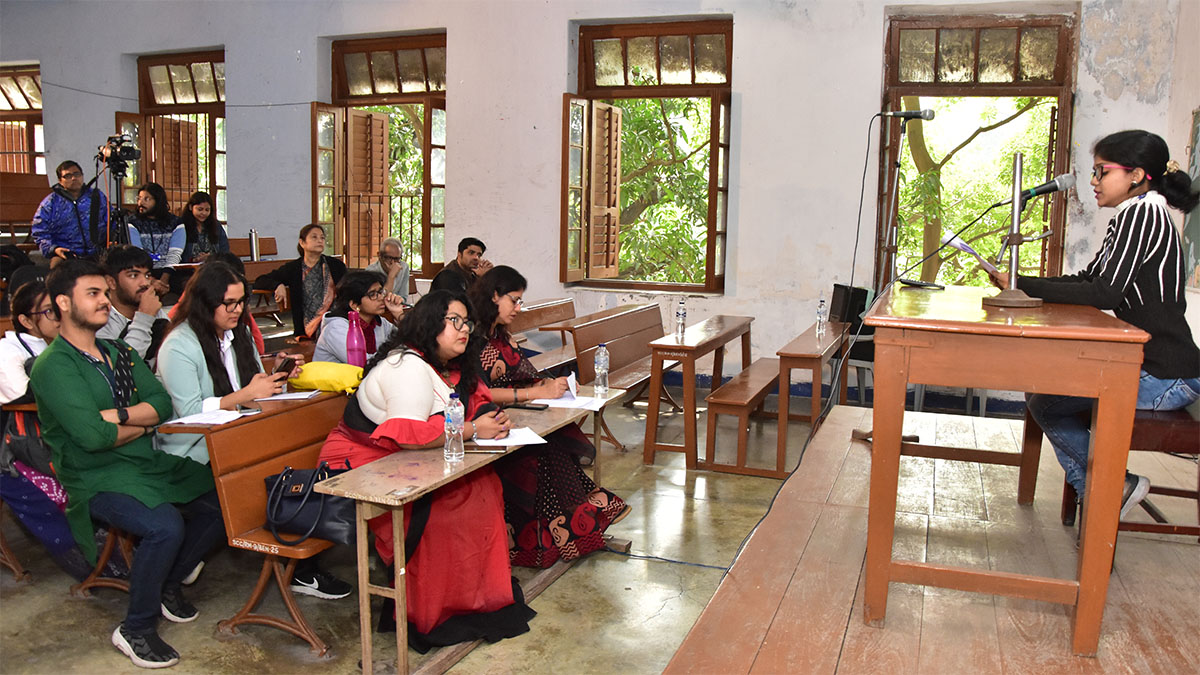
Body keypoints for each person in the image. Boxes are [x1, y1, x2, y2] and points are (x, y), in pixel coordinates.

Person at [989, 129, 1200, 520]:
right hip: (1153, 367)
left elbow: (1103, 293)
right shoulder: (1135, 215)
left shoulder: (1144, 214)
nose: (1093, 182)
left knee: (1047, 403)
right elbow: (1088, 280)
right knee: (1044, 396)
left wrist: (1023, 285)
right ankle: (1110, 489)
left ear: (1135, 175)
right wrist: (1019, 283)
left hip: (1168, 375)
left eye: (1101, 172)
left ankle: (1108, 491)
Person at [30, 259, 223, 669]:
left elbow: (162, 405)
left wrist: (117, 416)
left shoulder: (116, 351)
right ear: (64, 303)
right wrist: (135, 419)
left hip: (143, 463)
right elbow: (90, 439)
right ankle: (136, 628)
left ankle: (168, 583)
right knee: (164, 525)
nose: (106, 301)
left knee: (222, 493)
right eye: (94, 294)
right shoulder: (54, 366)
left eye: (105, 292)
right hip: (93, 477)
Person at [318, 290, 534, 651]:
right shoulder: (407, 366)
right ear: (431, 323)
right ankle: (434, 609)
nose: (463, 329)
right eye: (454, 321)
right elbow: (407, 435)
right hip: (362, 461)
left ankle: (475, 598)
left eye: (466, 322)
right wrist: (470, 431)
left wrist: (488, 421)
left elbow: (461, 410)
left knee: (483, 485)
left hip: (405, 458)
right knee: (449, 507)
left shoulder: (444, 366)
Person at [469, 266, 630, 567]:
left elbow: (520, 373)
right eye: (514, 301)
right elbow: (479, 393)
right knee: (546, 453)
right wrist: (533, 393)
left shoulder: (500, 333)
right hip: (490, 418)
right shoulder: (474, 339)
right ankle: (573, 527)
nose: (519, 308)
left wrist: (550, 385)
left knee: (554, 442)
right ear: (493, 296)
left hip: (518, 411)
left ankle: (579, 524)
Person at [253, 224, 347, 338]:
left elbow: (348, 290)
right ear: (302, 243)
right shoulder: (294, 268)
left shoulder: (336, 266)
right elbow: (260, 281)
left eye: (322, 238)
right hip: (305, 331)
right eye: (314, 237)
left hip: (335, 324)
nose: (320, 241)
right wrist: (278, 285)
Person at [167, 251, 267, 354]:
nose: (238, 309)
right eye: (229, 302)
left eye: (240, 300)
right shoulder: (180, 335)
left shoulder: (235, 312)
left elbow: (258, 349)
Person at [97, 245, 170, 367]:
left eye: (147, 275)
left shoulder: (155, 311)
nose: (145, 283)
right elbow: (123, 367)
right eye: (133, 275)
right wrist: (144, 318)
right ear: (111, 282)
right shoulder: (100, 321)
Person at [312, 271, 405, 364]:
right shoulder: (336, 329)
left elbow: (408, 343)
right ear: (354, 305)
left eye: (381, 292)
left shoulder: (378, 323)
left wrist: (398, 314)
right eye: (372, 294)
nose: (381, 298)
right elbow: (363, 363)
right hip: (335, 378)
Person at [30, 160, 112, 263]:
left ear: (82, 176)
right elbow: (39, 231)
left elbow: (110, 220)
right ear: (60, 180)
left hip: (98, 252)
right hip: (66, 254)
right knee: (57, 267)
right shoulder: (50, 203)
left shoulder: (96, 196)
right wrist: (54, 249)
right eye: (68, 176)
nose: (74, 178)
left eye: (76, 174)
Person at [125, 182, 175, 293]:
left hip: (169, 273)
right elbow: (137, 253)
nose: (140, 203)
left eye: (146, 199)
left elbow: (175, 254)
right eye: (139, 198)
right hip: (143, 272)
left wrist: (164, 281)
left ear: (158, 201)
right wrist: (151, 280)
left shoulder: (175, 222)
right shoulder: (132, 222)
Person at [165, 191, 229, 267]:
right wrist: (194, 260)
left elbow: (225, 251)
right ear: (190, 207)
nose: (203, 213)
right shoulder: (182, 226)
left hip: (213, 268)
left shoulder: (216, 226)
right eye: (200, 209)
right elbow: (178, 254)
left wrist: (210, 257)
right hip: (188, 270)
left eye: (207, 210)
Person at [365, 237, 410, 302]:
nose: (393, 262)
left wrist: (398, 301)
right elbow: (378, 301)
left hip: (395, 307)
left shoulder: (404, 267)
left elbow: (403, 297)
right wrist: (391, 276)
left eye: (397, 259)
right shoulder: (371, 271)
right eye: (389, 258)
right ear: (379, 256)